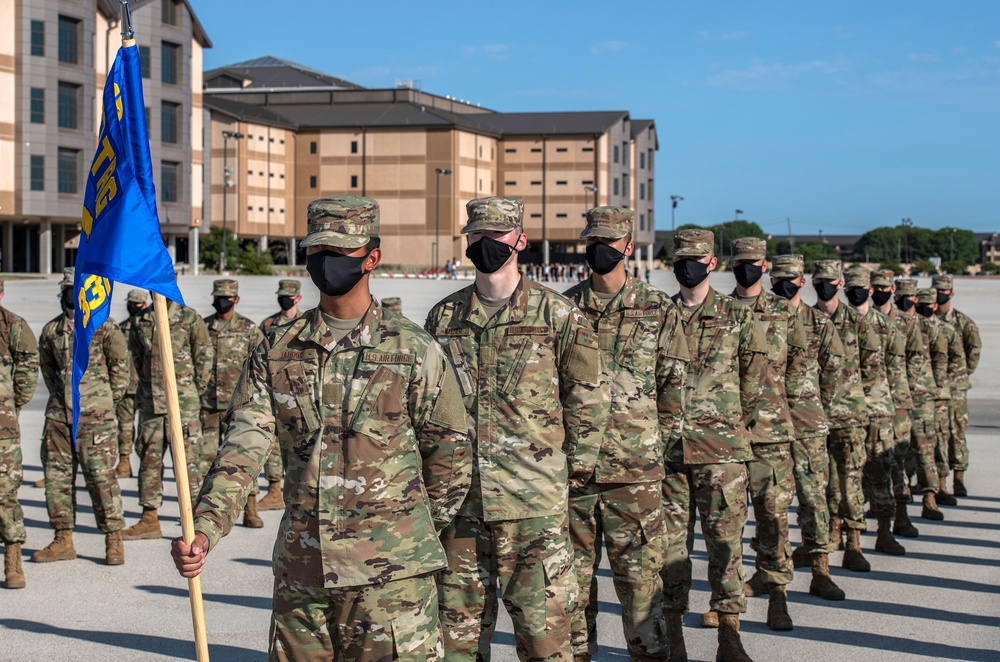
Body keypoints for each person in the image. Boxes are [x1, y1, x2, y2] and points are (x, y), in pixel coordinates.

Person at [171, 195, 471, 661]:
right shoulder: (275, 348)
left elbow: (450, 455)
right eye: (318, 251)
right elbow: (244, 446)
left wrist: (405, 530)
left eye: (340, 252)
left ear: (372, 256)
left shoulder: (414, 350)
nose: (327, 262)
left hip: (392, 584)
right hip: (303, 575)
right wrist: (207, 525)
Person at [425, 196, 608, 661]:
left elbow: (588, 396)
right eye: (478, 236)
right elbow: (427, 406)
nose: (487, 244)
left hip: (534, 507)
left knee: (545, 638)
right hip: (462, 506)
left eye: (498, 235)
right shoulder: (443, 318)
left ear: (520, 241)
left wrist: (569, 474)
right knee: (456, 642)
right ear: (467, 242)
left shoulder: (558, 314)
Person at [564, 207, 689, 661]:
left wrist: (652, 451)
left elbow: (674, 391)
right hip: (574, 477)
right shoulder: (564, 309)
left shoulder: (658, 309)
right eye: (591, 242)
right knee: (573, 590)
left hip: (634, 477)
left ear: (627, 248)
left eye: (608, 243)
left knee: (640, 589)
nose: (598, 250)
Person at [660, 228, 766, 662]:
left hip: (722, 455)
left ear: (712, 263)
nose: (688, 266)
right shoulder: (658, 315)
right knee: (669, 550)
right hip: (667, 455)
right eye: (680, 258)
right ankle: (673, 635)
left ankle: (729, 632)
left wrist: (731, 429)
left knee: (726, 546)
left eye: (696, 258)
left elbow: (754, 384)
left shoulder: (737, 317)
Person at [699, 238, 807, 632]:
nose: (747, 267)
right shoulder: (720, 312)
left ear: (765, 266)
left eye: (754, 262)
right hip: (724, 436)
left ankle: (778, 596)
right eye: (740, 262)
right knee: (727, 526)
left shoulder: (783, 311)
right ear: (730, 266)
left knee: (773, 519)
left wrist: (790, 417)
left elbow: (797, 366)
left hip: (770, 432)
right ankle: (728, 603)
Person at [34, 268, 129, 566]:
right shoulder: (51, 331)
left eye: (76, 289)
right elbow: (48, 371)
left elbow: (121, 371)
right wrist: (63, 401)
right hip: (59, 419)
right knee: (57, 480)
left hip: (95, 419)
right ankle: (63, 538)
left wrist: (101, 403)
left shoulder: (105, 327)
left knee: (102, 480)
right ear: (61, 293)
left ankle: (113, 539)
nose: (71, 295)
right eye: (66, 289)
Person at [770, 255, 846, 601]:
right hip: (768, 427)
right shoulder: (758, 319)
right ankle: (774, 578)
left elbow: (835, 372)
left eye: (791, 278)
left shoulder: (819, 323)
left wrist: (816, 408)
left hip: (808, 424)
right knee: (772, 504)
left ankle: (820, 570)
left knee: (814, 499)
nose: (784, 283)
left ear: (803, 282)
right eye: (779, 277)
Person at [122, 294, 213, 541]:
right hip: (151, 405)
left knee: (190, 465)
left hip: (183, 405)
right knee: (149, 463)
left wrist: (191, 392)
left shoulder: (189, 317)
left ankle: (196, 521)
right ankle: (149, 518)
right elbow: (135, 358)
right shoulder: (140, 320)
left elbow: (203, 357)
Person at [811, 260, 875, 571]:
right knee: (822, 484)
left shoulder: (857, 321)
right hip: (815, 417)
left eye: (830, 281)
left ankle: (854, 542)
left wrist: (858, 401)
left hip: (849, 415)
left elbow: (873, 367)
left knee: (851, 481)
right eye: (819, 280)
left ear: (840, 284)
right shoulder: (805, 319)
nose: (825, 286)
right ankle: (828, 534)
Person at [842, 266, 906, 557]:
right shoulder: (836, 324)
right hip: (847, 413)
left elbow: (896, 369)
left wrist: (897, 410)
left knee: (881, 473)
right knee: (847, 478)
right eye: (850, 288)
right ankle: (850, 540)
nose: (856, 293)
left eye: (861, 287)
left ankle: (884, 531)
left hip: (879, 411)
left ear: (870, 290)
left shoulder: (885, 325)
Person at [201, 279, 264, 527]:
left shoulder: (249, 329)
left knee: (242, 459)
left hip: (238, 405)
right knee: (204, 460)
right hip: (207, 403)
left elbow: (260, 366)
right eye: (217, 296)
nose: (221, 301)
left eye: (226, 297)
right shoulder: (204, 327)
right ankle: (205, 515)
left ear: (236, 299)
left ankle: (250, 509)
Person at [871, 270, 922, 537]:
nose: (880, 291)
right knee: (872, 461)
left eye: (884, 286)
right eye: (875, 286)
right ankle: (876, 512)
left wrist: (903, 386)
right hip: (870, 403)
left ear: (892, 288)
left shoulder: (905, 322)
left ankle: (901, 516)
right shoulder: (861, 319)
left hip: (898, 400)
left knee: (898, 461)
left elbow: (916, 358)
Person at [895, 279, 948, 520]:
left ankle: (930, 497)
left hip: (923, 397)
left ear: (915, 298)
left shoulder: (927, 327)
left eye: (909, 295)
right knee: (897, 453)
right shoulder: (891, 323)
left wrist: (934, 387)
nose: (904, 299)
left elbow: (941, 358)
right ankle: (900, 504)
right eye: (901, 295)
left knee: (925, 449)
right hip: (898, 398)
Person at [0, 279, 39, 589]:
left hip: (2, 428)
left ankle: (13, 559)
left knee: (4, 493)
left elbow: (28, 368)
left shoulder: (13, 324)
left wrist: (11, 405)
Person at [916, 287, 966, 508]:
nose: (924, 309)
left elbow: (960, 360)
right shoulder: (909, 327)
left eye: (928, 304)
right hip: (915, 396)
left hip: (941, 396)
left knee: (940, 441)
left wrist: (945, 384)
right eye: (921, 304)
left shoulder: (946, 330)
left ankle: (943, 485)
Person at [256, 279, 303, 512]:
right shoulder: (268, 324)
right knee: (272, 443)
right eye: (281, 295)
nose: (284, 299)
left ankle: (300, 494)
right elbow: (256, 356)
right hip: (275, 388)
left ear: (298, 298)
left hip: (301, 392)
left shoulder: (307, 323)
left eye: (288, 296)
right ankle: (274, 490)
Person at [932, 274, 981, 496]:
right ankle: (939, 482)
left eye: (943, 291)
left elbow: (974, 352)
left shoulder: (964, 322)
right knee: (936, 435)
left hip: (957, 388)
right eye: (936, 291)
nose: (939, 295)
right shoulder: (927, 319)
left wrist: (960, 376)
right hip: (935, 389)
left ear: (951, 293)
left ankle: (959, 478)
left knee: (957, 433)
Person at [116, 289, 147, 478]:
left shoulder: (151, 327)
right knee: (125, 426)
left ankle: (147, 465)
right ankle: (124, 462)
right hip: (127, 386)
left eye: (137, 304)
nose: (133, 307)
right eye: (131, 303)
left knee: (147, 432)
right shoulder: (121, 328)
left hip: (147, 388)